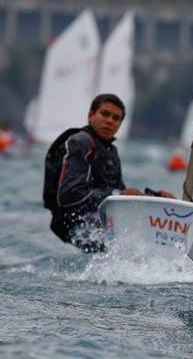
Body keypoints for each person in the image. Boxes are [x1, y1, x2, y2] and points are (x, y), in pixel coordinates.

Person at [43, 93, 175, 253]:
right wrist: (118, 194)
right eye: (104, 114)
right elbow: (69, 195)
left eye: (116, 118)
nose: (110, 121)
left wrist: (155, 198)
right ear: (91, 116)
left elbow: (121, 197)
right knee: (123, 248)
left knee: (137, 240)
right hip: (71, 222)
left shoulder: (111, 151)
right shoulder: (81, 142)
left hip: (100, 217)